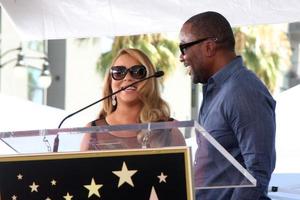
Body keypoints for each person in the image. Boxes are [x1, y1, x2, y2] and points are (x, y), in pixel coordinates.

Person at [179, 11, 276, 199]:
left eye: (183, 48)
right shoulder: (215, 90)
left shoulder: (244, 91)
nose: (181, 57)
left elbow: (256, 175)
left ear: (208, 47)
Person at [80, 48, 186, 151]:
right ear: (110, 83)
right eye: (118, 72)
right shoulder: (92, 131)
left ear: (150, 80)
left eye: (137, 72)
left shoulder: (168, 130)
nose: (127, 78)